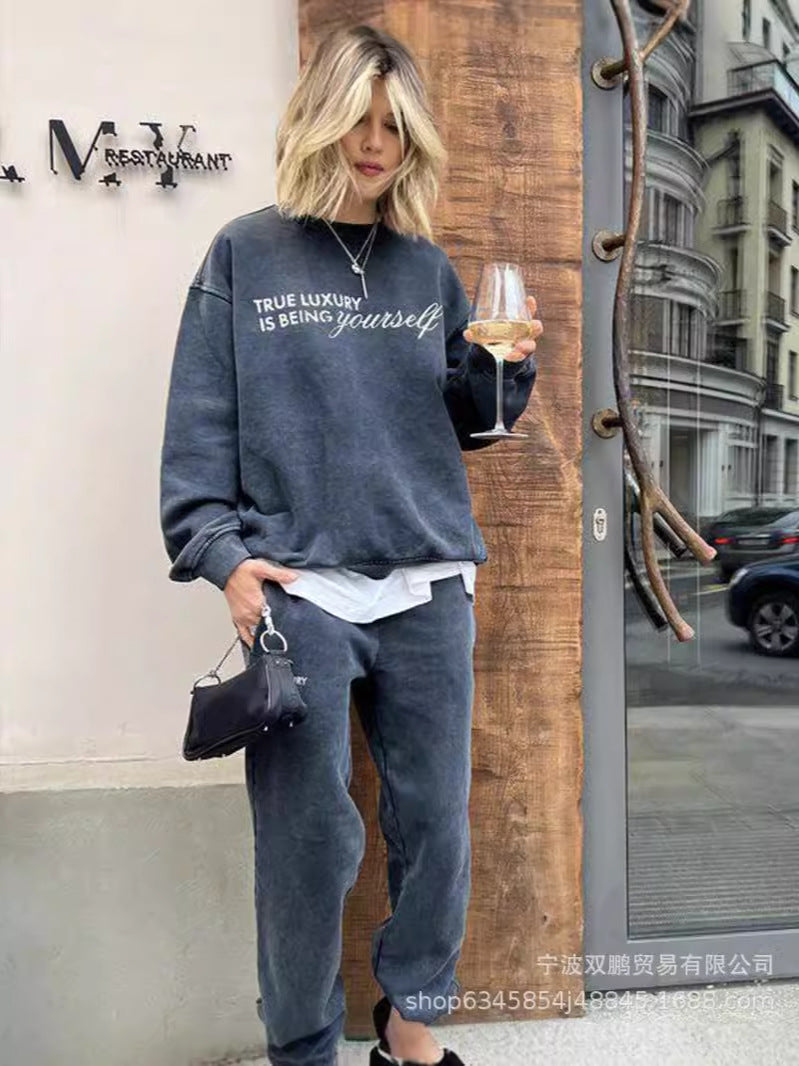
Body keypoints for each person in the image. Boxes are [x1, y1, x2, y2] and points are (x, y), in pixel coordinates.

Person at [159, 23, 542, 1066]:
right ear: (318, 119)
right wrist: (222, 555)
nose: (374, 144)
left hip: (426, 582)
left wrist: (503, 373)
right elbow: (199, 420)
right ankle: (303, 1047)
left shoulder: (425, 269)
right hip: (300, 587)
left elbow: (470, 424)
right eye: (357, 120)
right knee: (307, 842)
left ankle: (409, 1023)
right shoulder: (246, 252)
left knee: (437, 823)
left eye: (393, 126)